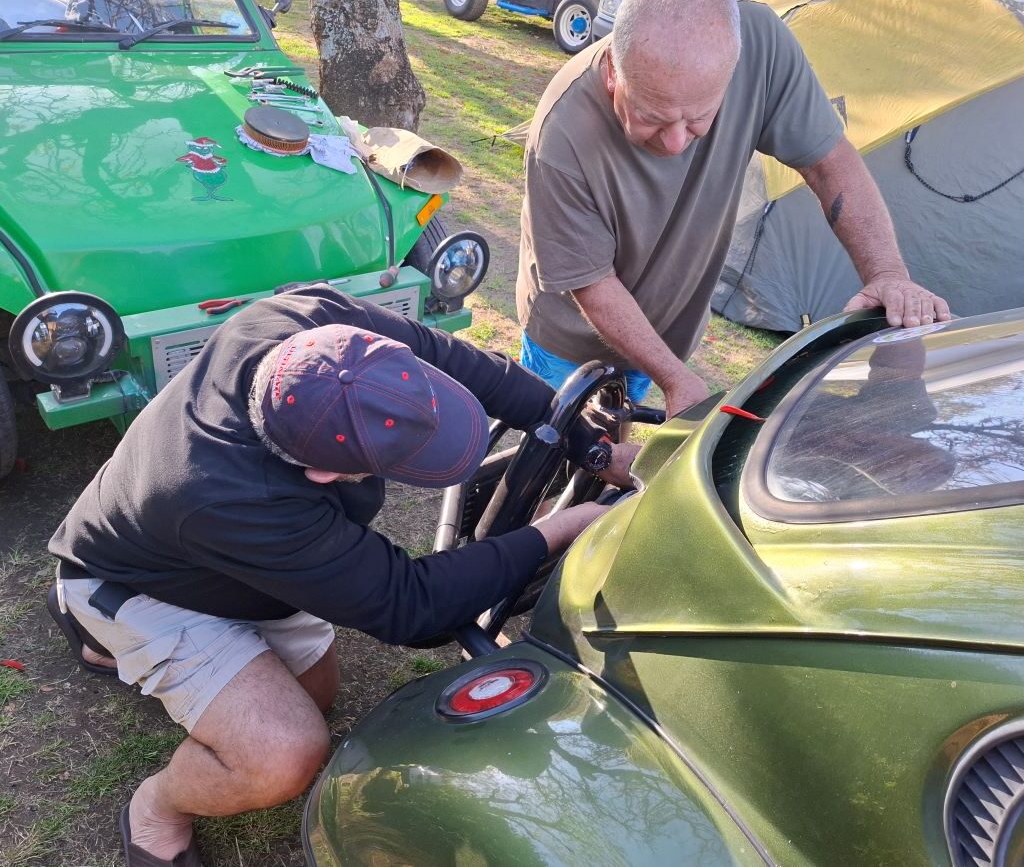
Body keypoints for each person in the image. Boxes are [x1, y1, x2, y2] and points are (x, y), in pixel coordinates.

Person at [46, 285, 630, 867]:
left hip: (222, 559)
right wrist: (562, 527)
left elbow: (456, 358)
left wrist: (592, 447)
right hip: (140, 583)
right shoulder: (227, 499)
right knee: (283, 756)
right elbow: (410, 605)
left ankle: (117, 644)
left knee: (317, 697)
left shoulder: (312, 324)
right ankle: (153, 802)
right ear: (322, 473)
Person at [516, 0, 952, 417]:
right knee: (558, 448)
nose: (676, 143)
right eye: (652, 117)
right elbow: (591, 283)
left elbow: (830, 164)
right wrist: (676, 380)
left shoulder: (759, 46)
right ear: (613, 72)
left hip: (660, 329)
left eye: (697, 118)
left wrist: (887, 273)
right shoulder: (561, 134)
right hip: (570, 335)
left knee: (617, 428)